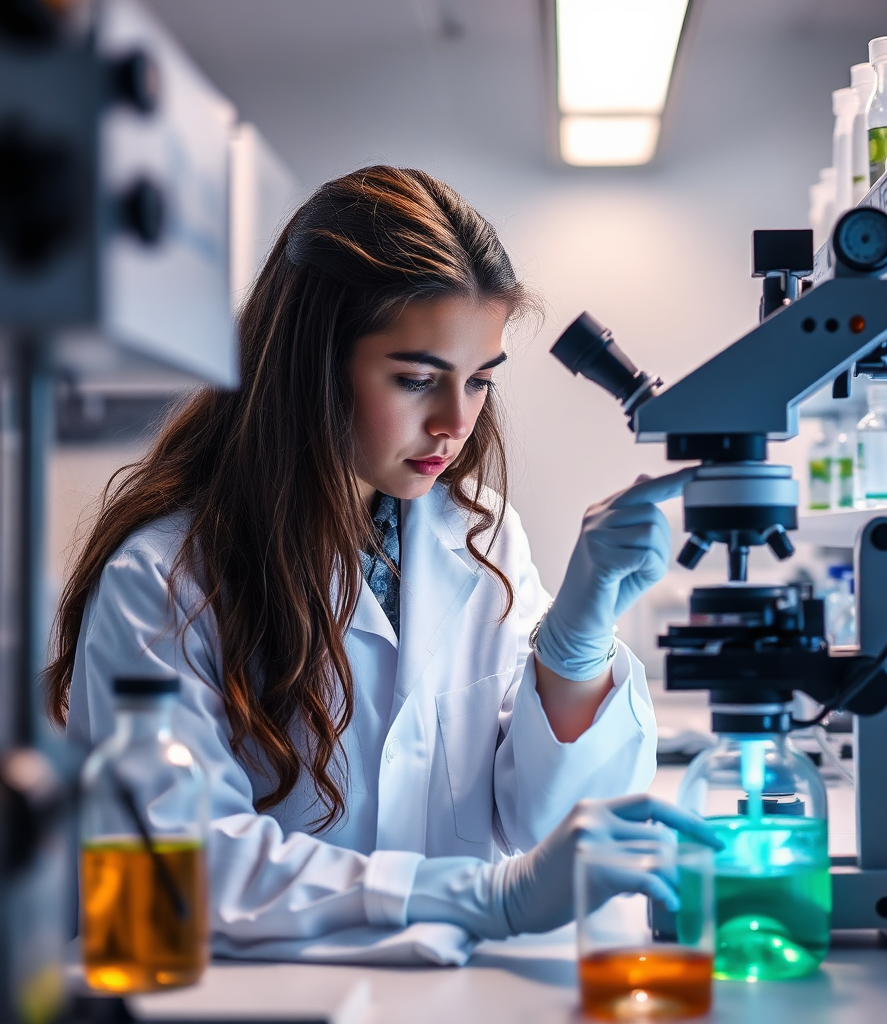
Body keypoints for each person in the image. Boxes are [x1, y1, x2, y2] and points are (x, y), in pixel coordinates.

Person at [49, 166, 715, 960]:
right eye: (415, 379)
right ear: (311, 363)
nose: (454, 422)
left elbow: (558, 830)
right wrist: (487, 898)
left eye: (478, 382)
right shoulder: (165, 579)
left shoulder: (481, 541)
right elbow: (179, 866)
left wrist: (577, 643)